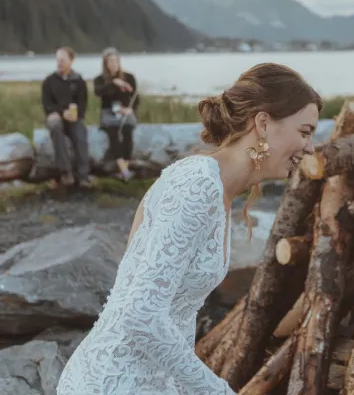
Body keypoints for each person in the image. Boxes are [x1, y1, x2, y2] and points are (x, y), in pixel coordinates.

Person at [56, 63, 323, 394]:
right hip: (114, 382)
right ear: (264, 123)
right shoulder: (196, 184)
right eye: (305, 131)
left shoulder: (219, 190)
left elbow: (173, 314)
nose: (311, 147)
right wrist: (215, 389)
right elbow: (140, 312)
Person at [41, 46, 92, 188]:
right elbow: (47, 105)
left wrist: (76, 116)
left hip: (74, 118)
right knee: (55, 126)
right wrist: (62, 112)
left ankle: (83, 176)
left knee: (81, 132)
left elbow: (83, 104)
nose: (59, 63)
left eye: (62, 60)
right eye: (58, 60)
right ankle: (66, 172)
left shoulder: (78, 81)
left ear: (71, 61)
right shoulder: (49, 81)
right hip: (56, 117)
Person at [93, 47, 140, 182]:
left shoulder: (129, 77)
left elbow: (135, 97)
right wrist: (113, 83)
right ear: (105, 64)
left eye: (116, 61)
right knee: (113, 133)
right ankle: (124, 171)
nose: (114, 64)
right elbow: (98, 92)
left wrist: (131, 109)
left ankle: (124, 169)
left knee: (128, 131)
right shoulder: (100, 79)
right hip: (109, 112)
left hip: (125, 111)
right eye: (110, 62)